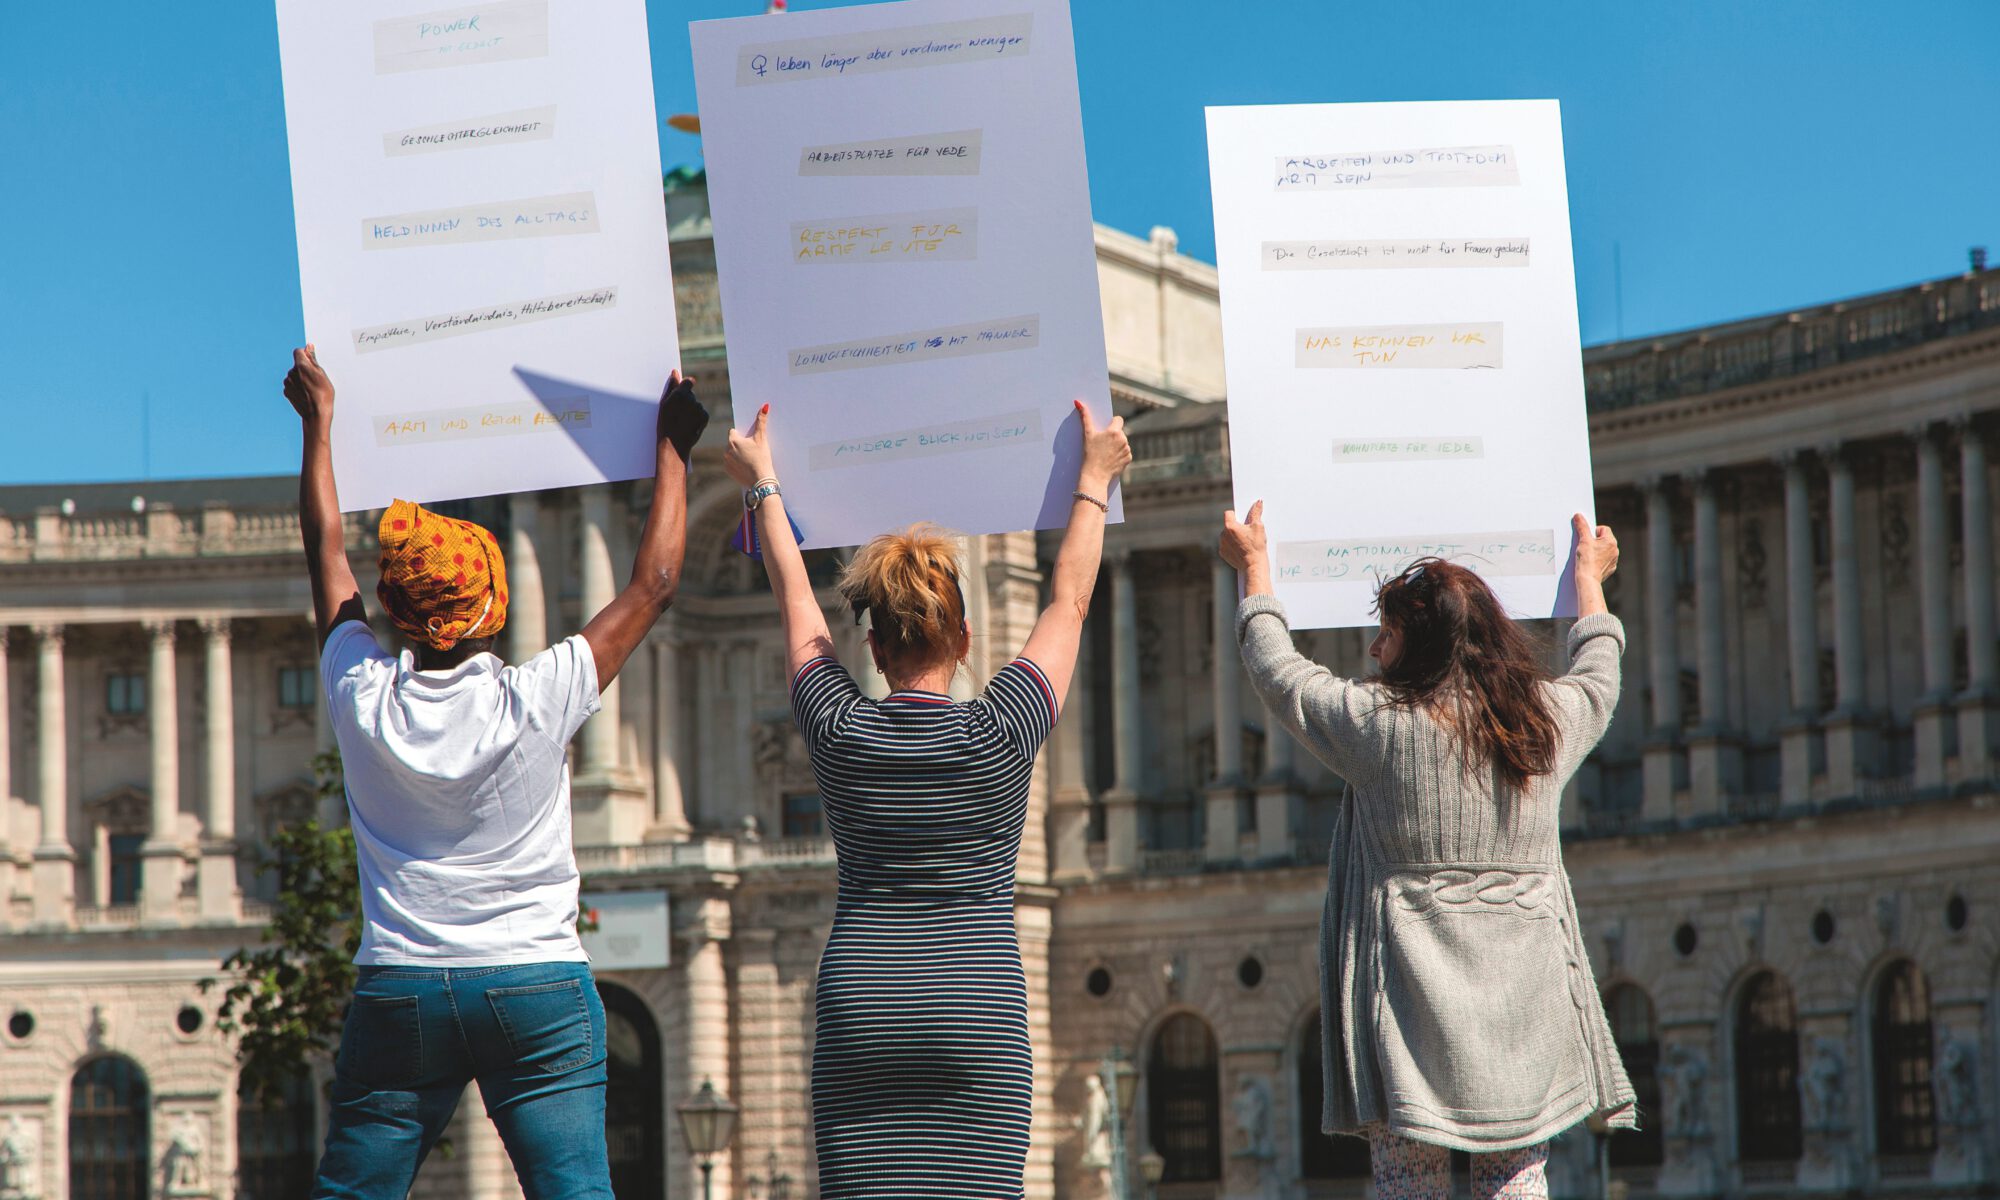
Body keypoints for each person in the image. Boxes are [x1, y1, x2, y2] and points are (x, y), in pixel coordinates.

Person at [284, 344, 709, 1200]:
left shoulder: (360, 695)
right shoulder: (537, 697)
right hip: (535, 984)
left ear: (396, 616)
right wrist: (672, 450)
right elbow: (655, 583)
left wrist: (319, 427)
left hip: (401, 987)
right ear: (493, 610)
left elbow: (327, 554)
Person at [723, 399, 1131, 1198]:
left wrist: (763, 481)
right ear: (967, 637)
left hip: (861, 1005)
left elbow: (796, 606)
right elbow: (1069, 605)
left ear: (871, 649)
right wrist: (1093, 479)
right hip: (975, 1006)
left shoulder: (840, 731)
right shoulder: (1003, 730)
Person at [1217, 501, 1633, 1200]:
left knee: (1408, 1185)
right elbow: (1600, 673)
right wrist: (1590, 578)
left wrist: (1256, 568)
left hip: (1407, 1003)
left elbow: (1279, 672)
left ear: (1424, 644)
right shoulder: (1546, 724)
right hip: (1527, 1000)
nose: (1375, 650)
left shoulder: (1379, 729)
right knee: (1517, 1181)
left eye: (1387, 634)